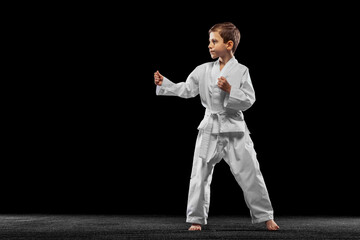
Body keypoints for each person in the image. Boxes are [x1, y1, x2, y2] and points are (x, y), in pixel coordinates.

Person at [154, 22, 279, 231]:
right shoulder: (203, 70)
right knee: (199, 174)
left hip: (235, 128)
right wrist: (164, 84)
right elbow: (186, 89)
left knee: (251, 172)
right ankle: (196, 219)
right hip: (210, 128)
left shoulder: (241, 71)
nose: (210, 45)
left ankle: (266, 216)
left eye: (214, 41)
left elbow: (249, 100)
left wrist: (230, 90)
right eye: (209, 41)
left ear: (229, 44)